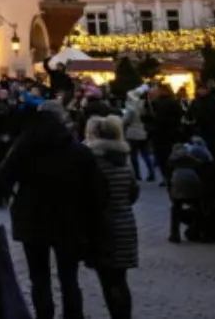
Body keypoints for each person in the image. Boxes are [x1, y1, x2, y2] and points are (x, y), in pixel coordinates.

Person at [0, 101, 105, 319]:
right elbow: (96, 190)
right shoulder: (77, 150)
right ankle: (73, 315)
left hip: (32, 219)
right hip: (69, 219)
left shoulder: (24, 147)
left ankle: (44, 315)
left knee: (39, 278)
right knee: (69, 277)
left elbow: (2, 180)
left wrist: (14, 195)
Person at [85, 116, 138, 319]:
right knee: (120, 279)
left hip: (103, 226)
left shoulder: (95, 162)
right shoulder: (124, 160)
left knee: (108, 281)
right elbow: (133, 192)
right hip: (126, 222)